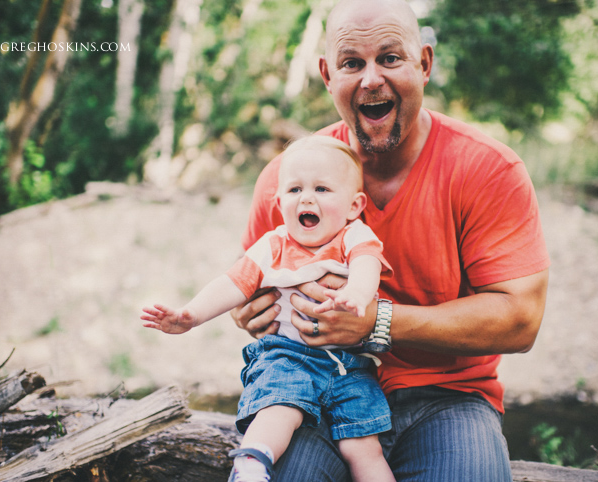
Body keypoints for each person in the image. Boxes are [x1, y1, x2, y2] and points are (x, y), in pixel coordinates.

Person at [230, 0, 551, 480]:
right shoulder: (288, 180)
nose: (371, 79)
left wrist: (375, 322)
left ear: (424, 63)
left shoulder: (486, 169)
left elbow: (520, 320)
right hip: (314, 387)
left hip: (448, 398)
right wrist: (250, 310)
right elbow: (249, 286)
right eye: (352, 63)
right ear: (327, 75)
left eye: (390, 58)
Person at [141, 135, 396, 482]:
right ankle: (251, 462)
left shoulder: (352, 236)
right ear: (278, 202)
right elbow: (233, 282)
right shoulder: (273, 245)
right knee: (280, 408)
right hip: (288, 356)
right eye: (294, 190)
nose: (306, 197)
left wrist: (357, 292)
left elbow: (368, 263)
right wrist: (191, 315)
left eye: (322, 189)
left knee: (363, 447)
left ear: (354, 205)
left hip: (350, 367)